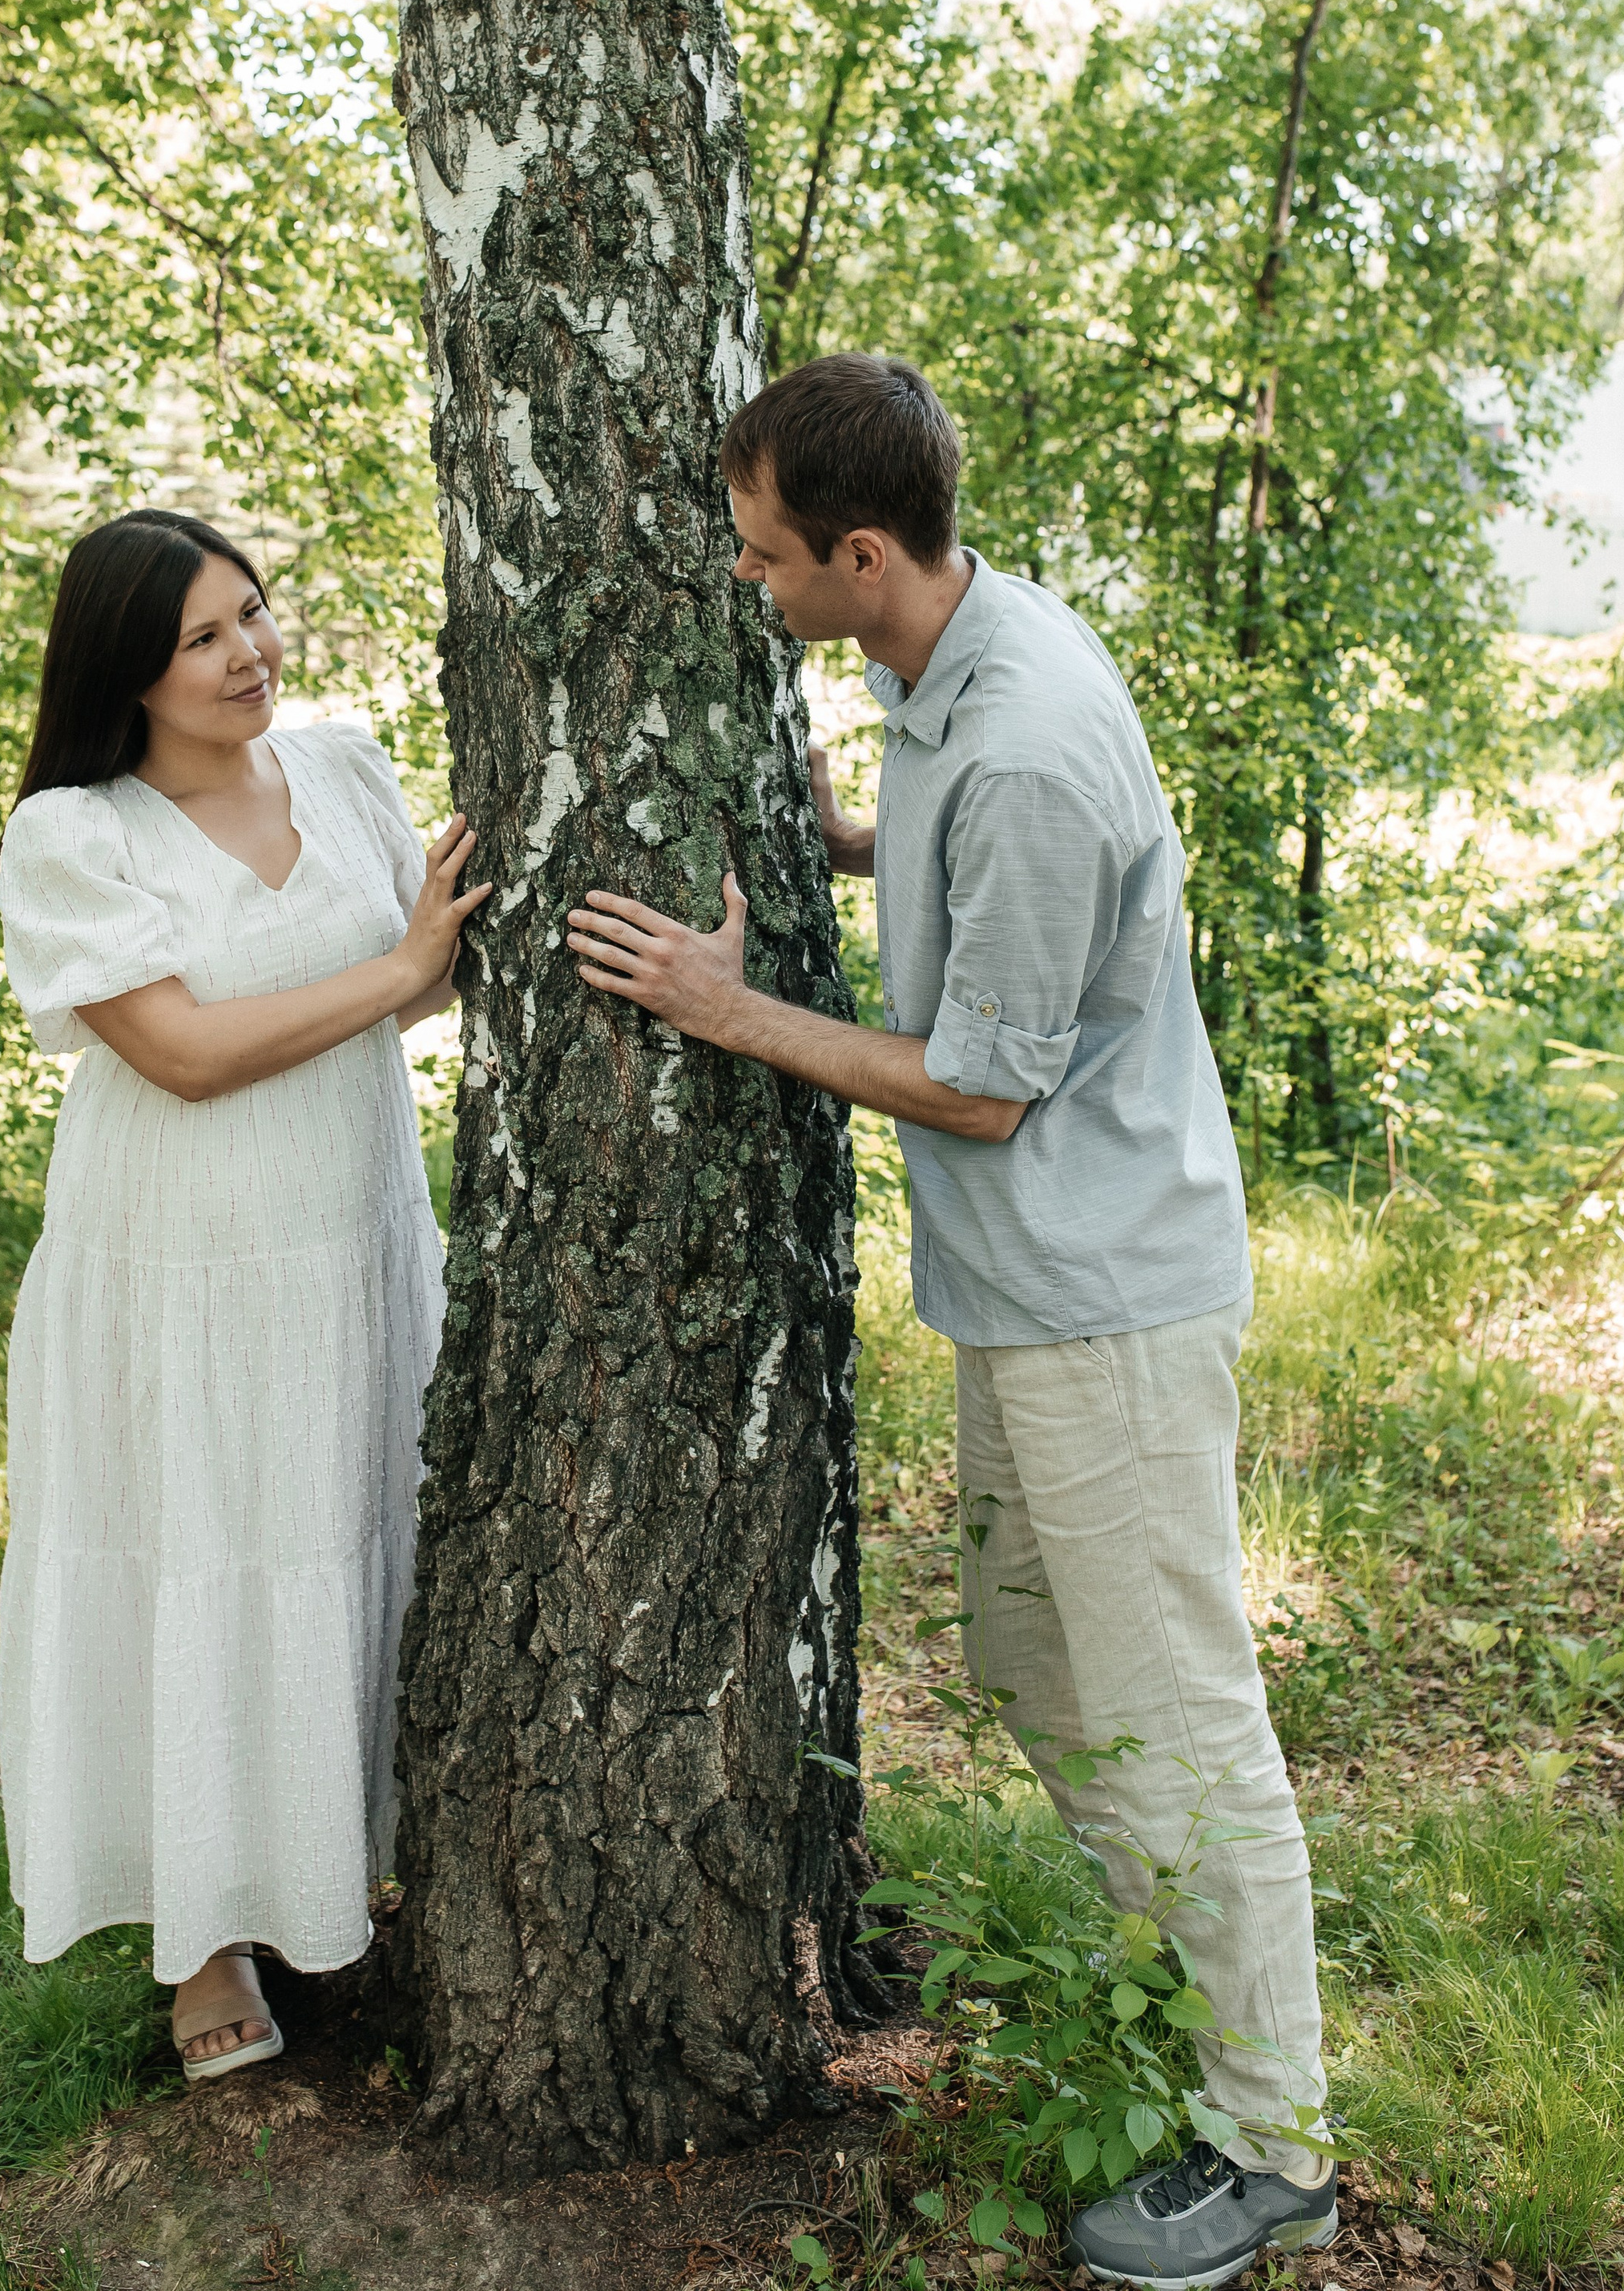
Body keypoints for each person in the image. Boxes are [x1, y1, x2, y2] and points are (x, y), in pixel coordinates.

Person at [565, 355, 1334, 2289]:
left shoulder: (1020, 746)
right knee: (1029, 1662)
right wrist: (850, 848)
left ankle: (1272, 2149)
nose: (743, 581)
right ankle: (1188, 2009)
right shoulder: (949, 667)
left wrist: (721, 1008)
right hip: (1029, 1291)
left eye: (762, 555)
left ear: (861, 555)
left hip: (1103, 1301)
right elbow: (1008, 908)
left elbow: (983, 1090)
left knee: (1174, 1713)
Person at [0, 510, 488, 2082]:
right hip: (180, 1267)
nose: (248, 653)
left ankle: (325, 1867)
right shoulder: (78, 834)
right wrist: (399, 971)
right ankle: (203, 1940)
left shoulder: (340, 769)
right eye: (201, 637)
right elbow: (186, 1055)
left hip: (349, 1235)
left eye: (253, 613)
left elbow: (435, 962)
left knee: (335, 1534)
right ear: (126, 673)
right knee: (196, 1558)